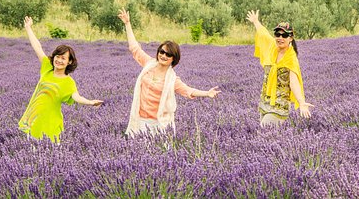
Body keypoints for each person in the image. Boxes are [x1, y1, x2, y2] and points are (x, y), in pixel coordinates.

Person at [118, 8, 221, 137]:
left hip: (159, 123)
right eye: (162, 52)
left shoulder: (172, 79)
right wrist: (127, 24)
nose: (163, 55)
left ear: (173, 58)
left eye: (168, 54)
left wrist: (207, 93)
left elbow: (188, 91)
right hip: (139, 119)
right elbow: (134, 48)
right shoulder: (149, 64)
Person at [18, 16, 103, 143]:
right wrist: (28, 28)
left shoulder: (68, 82)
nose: (59, 60)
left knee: (53, 156)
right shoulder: (47, 68)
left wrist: (90, 102)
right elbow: (38, 47)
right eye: (58, 56)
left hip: (51, 123)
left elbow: (76, 97)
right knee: (33, 155)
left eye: (63, 58)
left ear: (69, 62)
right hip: (34, 120)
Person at [246, 10, 313, 126]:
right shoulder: (272, 46)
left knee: (264, 130)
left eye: (285, 35)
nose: (280, 38)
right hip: (265, 103)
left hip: (279, 108)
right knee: (265, 139)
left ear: (291, 38)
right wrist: (256, 22)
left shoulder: (291, 58)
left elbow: (294, 82)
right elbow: (263, 34)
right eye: (277, 34)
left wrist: (301, 102)